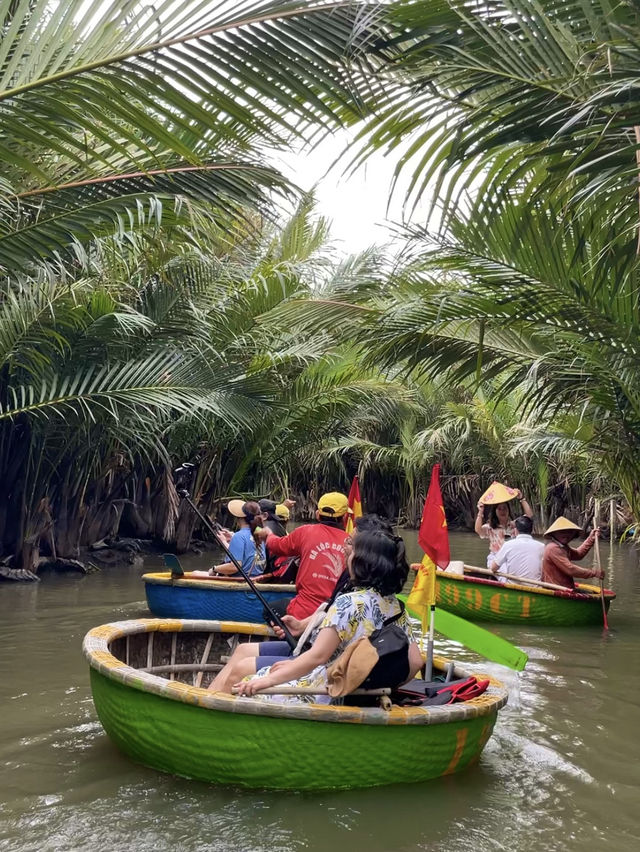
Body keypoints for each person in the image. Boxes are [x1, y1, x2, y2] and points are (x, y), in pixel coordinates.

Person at [212, 529, 422, 702]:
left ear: (362, 562)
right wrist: (373, 685)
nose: (347, 555)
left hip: (324, 692)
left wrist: (266, 681)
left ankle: (213, 722)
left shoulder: (348, 603)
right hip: (356, 692)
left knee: (247, 679)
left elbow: (317, 656)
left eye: (352, 551)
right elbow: (415, 662)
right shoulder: (397, 607)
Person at [255, 492, 350, 619]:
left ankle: (287, 635)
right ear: (345, 518)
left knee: (269, 610)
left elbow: (277, 546)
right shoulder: (351, 543)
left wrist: (269, 535)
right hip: (337, 614)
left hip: (303, 610)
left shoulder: (305, 531)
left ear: (317, 514)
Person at [475, 490, 534, 568]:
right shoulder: (490, 527)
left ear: (508, 510)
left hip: (512, 557)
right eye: (499, 509)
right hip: (495, 558)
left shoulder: (514, 525)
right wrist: (480, 511)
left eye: (505, 508)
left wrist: (521, 499)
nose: (502, 511)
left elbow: (529, 516)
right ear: (495, 512)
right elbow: (478, 530)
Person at [542, 517, 604, 589]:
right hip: (556, 589)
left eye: (569, 532)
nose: (566, 535)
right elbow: (570, 569)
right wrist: (594, 573)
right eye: (562, 532)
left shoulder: (564, 547)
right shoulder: (553, 548)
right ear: (554, 534)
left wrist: (591, 539)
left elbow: (578, 554)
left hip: (565, 588)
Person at [210, 500, 265, 577]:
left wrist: (214, 569)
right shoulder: (260, 533)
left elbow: (235, 566)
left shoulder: (239, 536)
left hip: (241, 579)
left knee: (196, 573)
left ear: (240, 518)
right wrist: (232, 538)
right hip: (256, 577)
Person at [489, 516, 544, 582]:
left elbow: (493, 568)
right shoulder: (542, 546)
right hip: (535, 586)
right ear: (531, 530)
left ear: (516, 530)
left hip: (513, 586)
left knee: (491, 557)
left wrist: (496, 553)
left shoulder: (508, 544)